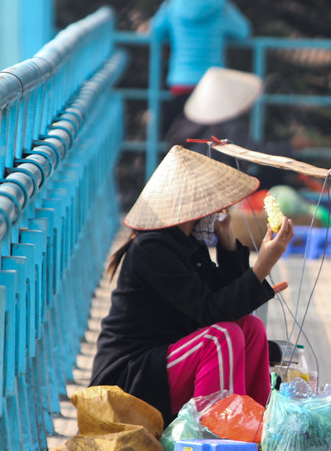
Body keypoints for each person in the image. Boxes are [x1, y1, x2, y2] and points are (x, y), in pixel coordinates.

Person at [89, 146, 295, 425]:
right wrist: (264, 265)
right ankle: (216, 438)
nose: (218, 211)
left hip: (164, 366)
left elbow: (229, 304)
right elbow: (212, 312)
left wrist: (228, 242)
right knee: (219, 337)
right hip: (131, 377)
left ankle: (257, 427)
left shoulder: (188, 246)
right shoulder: (152, 249)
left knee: (250, 328)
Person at [149, 0, 251, 143]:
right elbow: (243, 32)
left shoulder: (174, 3)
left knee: (179, 143)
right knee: (212, 144)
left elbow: (155, 31)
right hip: (212, 84)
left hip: (180, 83)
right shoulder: (220, 4)